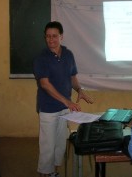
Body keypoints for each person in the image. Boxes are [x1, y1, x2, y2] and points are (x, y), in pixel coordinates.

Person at [33, 21, 93, 177]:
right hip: (48, 108)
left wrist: (79, 90)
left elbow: (72, 77)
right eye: (48, 36)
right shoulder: (41, 57)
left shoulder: (68, 55)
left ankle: (54, 172)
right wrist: (67, 101)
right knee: (48, 145)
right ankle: (44, 173)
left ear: (61, 37)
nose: (51, 39)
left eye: (54, 36)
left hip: (65, 108)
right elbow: (45, 84)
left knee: (60, 144)